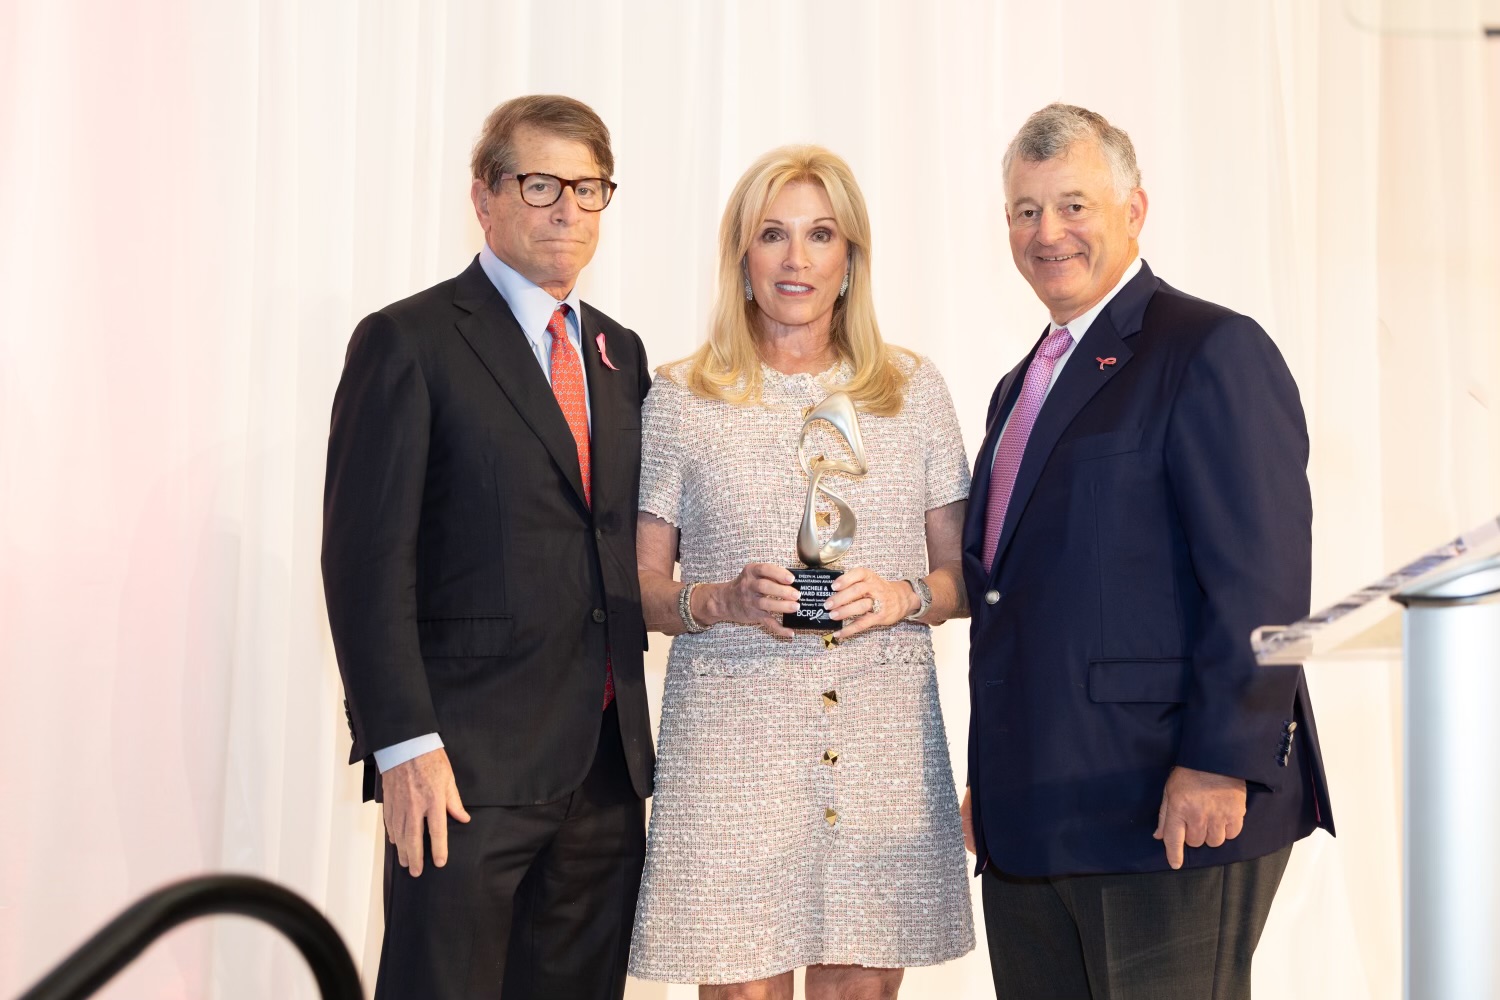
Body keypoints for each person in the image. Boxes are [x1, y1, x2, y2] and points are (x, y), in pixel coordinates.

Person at [962, 102, 1336, 998]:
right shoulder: (1021, 385)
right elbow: (1017, 596)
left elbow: (1263, 581)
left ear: (1134, 210)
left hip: (1168, 806)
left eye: (1074, 205)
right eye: (1025, 210)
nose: (1047, 233)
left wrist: (1222, 758)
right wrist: (999, 776)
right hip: (1038, 816)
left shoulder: (1210, 349)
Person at [320, 94, 653, 1000]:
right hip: (462, 774)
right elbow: (363, 565)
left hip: (605, 774)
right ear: (485, 196)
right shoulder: (409, 341)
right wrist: (402, 746)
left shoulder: (621, 354)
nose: (567, 210)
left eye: (589, 189)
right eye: (540, 182)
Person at [627, 145, 975, 1000]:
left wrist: (904, 595)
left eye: (821, 235)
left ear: (850, 258)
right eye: (773, 235)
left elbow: (968, 574)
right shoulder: (680, 395)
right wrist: (720, 599)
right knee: (742, 987)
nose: (797, 258)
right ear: (741, 258)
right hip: (731, 735)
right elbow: (636, 586)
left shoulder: (913, 389)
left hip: (881, 737)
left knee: (862, 984)